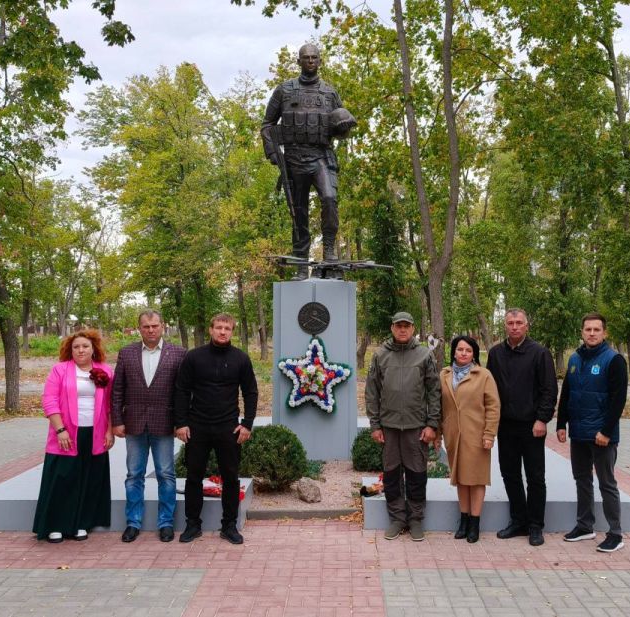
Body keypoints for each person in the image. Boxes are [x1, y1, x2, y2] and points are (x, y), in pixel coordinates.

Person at [261, 43, 355, 280]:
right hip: (293, 158)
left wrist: (343, 129)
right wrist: (274, 154)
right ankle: (302, 262)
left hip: (321, 156)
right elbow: (267, 125)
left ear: (320, 61)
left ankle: (330, 250)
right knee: (298, 211)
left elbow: (341, 123)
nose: (311, 61)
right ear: (299, 62)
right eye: (306, 58)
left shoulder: (330, 94)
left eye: (315, 57)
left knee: (330, 198)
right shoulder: (284, 91)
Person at [174, 313, 258, 545]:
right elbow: (181, 390)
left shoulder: (240, 358)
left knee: (231, 477)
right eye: (219, 327)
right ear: (211, 329)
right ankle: (193, 524)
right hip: (197, 426)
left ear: (232, 332)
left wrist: (247, 424)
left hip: (228, 427)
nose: (223, 332)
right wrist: (181, 423)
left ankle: (229, 525)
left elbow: (250, 392)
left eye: (227, 328)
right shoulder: (194, 357)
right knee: (193, 476)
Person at [111, 310, 187, 543]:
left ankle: (166, 523)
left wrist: (181, 423)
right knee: (134, 475)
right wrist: (117, 421)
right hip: (133, 423)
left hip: (164, 424)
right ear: (139, 328)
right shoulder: (126, 353)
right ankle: (133, 523)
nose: (151, 330)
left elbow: (183, 392)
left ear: (162, 326)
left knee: (166, 474)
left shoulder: (178, 354)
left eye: (154, 326)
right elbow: (117, 391)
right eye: (146, 327)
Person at [365, 311, 441, 542]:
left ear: (413, 328)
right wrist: (375, 424)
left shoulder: (424, 355)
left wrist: (432, 424)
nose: (402, 329)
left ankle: (416, 519)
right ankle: (397, 518)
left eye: (406, 326)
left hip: (416, 426)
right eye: (398, 326)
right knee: (391, 474)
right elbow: (372, 392)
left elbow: (434, 392)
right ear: (392, 328)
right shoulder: (380, 355)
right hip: (388, 426)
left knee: (417, 473)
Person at [33, 329, 114, 543]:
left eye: (85, 346)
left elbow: (110, 405)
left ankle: (81, 524)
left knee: (88, 479)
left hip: (94, 434)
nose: (80, 350)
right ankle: (55, 525)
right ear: (70, 349)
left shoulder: (105, 371)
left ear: (93, 349)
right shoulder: (59, 370)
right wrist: (60, 430)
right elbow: (49, 401)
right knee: (63, 479)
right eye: (76, 346)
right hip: (66, 433)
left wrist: (109, 431)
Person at [557, 312, 628, 553]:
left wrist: (606, 431)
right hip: (578, 432)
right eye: (588, 329)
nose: (592, 333)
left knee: (607, 483)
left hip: (601, 436)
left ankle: (615, 533)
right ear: (582, 332)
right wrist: (560, 424)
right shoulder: (575, 359)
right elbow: (567, 392)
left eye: (597, 329)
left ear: (604, 333)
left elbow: (619, 400)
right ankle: (585, 526)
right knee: (582, 480)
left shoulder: (614, 360)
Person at [486, 308, 557, 547]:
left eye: (519, 323)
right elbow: (490, 391)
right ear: (504, 326)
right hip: (505, 426)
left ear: (527, 326)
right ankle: (519, 521)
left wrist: (542, 420)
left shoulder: (540, 353)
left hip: (532, 426)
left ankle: (536, 525)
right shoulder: (495, 354)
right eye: (510, 323)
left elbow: (549, 390)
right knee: (510, 475)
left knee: (536, 477)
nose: (514, 327)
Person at [438, 335, 500, 543]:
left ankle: (475, 523)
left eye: (468, 350)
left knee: (476, 478)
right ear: (453, 351)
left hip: (477, 435)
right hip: (453, 434)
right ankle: (463, 520)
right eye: (460, 349)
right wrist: (439, 432)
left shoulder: (483, 375)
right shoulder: (444, 375)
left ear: (474, 354)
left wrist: (489, 434)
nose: (463, 353)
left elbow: (493, 406)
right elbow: (439, 406)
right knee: (461, 478)